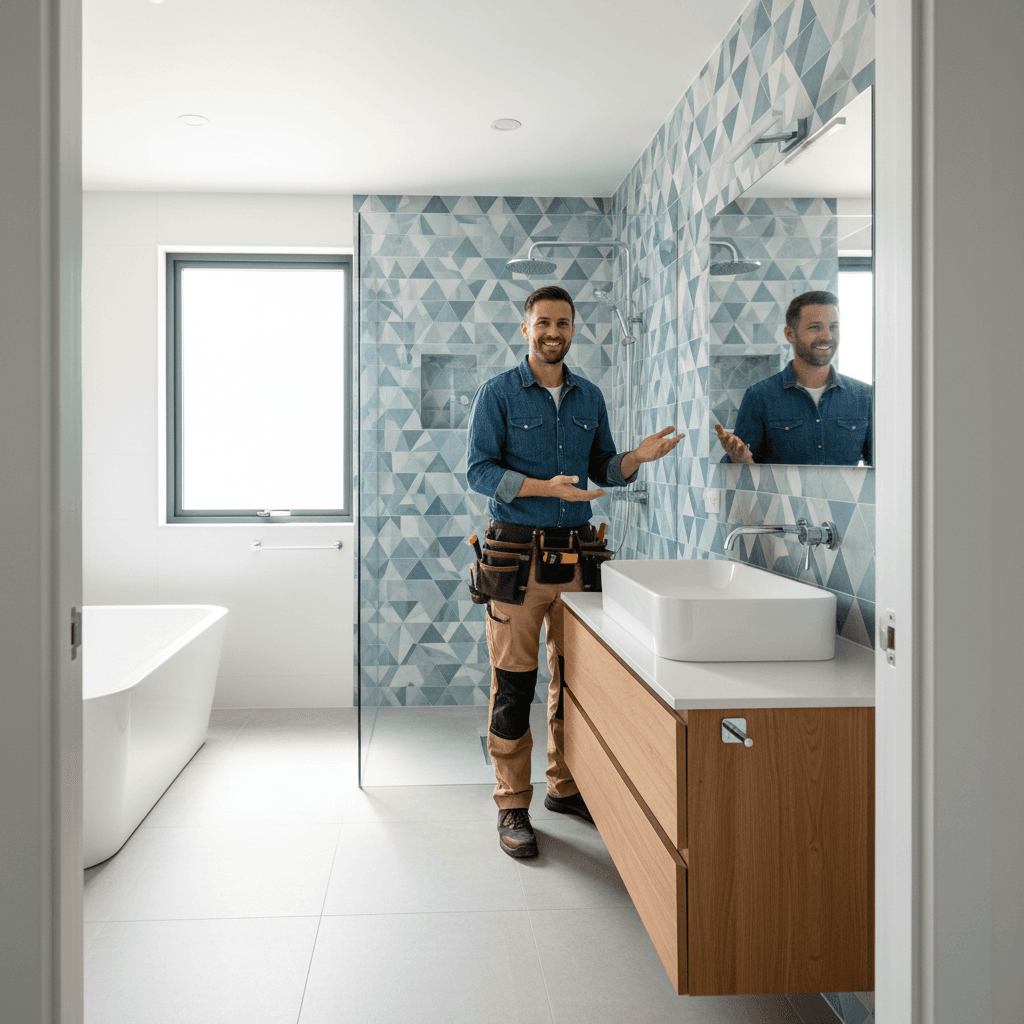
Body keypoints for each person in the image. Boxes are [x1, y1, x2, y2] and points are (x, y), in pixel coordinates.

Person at [466, 285, 682, 859]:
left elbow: (603, 468)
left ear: (574, 328)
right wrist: (543, 487)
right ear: (525, 328)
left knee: (577, 684)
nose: (552, 331)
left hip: (579, 559)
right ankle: (513, 800)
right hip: (516, 559)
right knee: (514, 685)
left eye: (562, 322)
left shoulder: (591, 397)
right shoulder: (498, 394)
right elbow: (479, 472)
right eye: (542, 322)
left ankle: (564, 787)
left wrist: (636, 458)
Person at [717, 290, 872, 466]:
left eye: (833, 327)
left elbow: (884, 470)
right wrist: (740, 460)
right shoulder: (759, 397)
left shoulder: (866, 397)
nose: (827, 336)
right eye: (815, 327)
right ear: (790, 334)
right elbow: (741, 474)